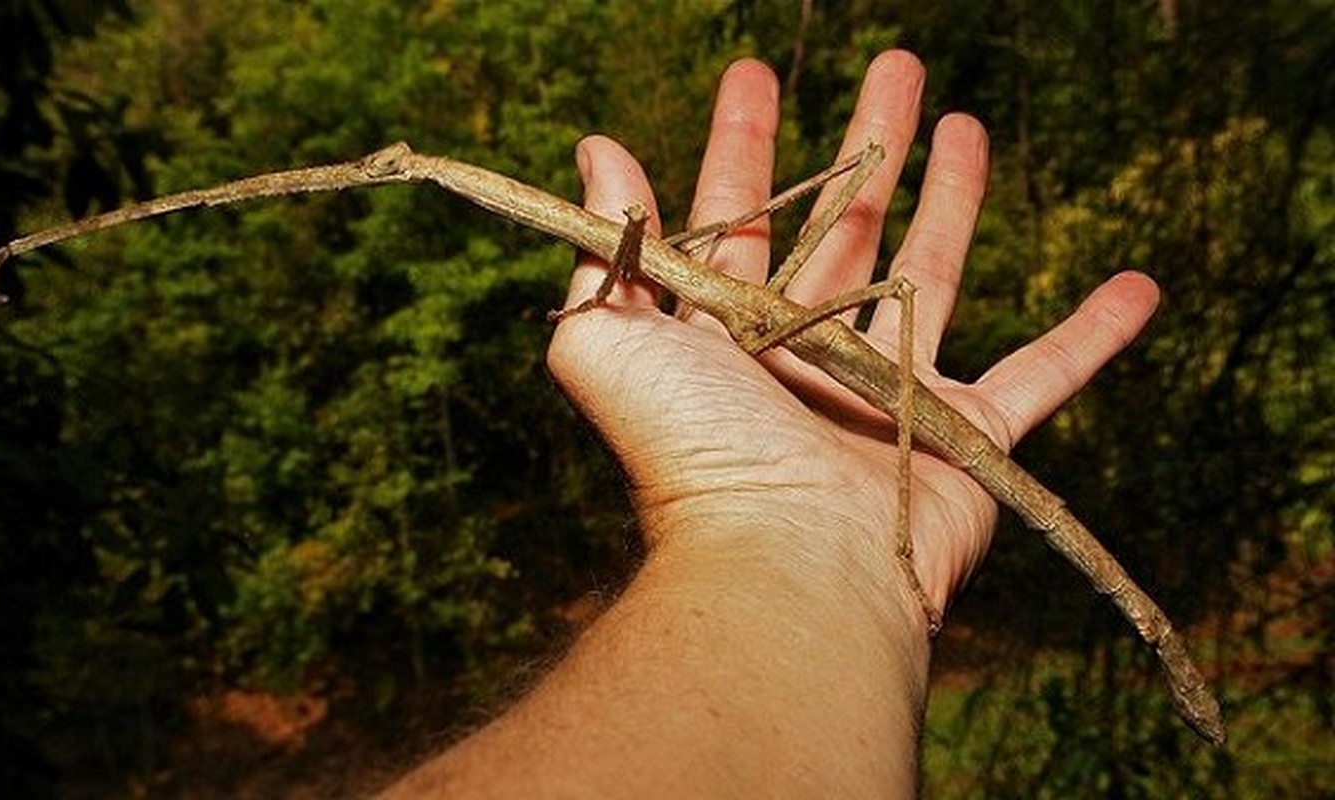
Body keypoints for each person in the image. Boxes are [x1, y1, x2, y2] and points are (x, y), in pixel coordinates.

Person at [381, 50, 1160, 798]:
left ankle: (907, 538)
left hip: (833, 358)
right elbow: (652, 254)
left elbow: (652, 250)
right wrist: (805, 548)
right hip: (770, 333)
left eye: (407, 166)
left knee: (886, 250)